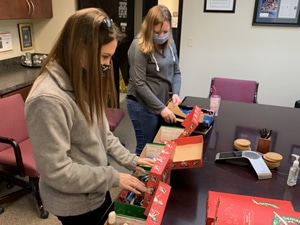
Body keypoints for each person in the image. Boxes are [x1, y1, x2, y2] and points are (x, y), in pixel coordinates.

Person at [24, 8, 155, 225]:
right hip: (74, 202)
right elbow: (56, 171)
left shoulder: (82, 77)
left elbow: (102, 133)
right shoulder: (47, 99)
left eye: (110, 57)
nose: (106, 65)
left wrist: (130, 160)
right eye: (104, 56)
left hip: (94, 188)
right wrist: (113, 177)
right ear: (80, 48)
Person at [126, 5, 182, 156]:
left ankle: (152, 179)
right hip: (141, 104)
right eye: (157, 32)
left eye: (165, 31)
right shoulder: (138, 46)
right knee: (145, 149)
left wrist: (175, 93)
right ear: (149, 28)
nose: (161, 35)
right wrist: (162, 109)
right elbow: (139, 83)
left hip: (161, 103)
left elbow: (176, 71)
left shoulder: (170, 43)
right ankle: (138, 179)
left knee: (158, 148)